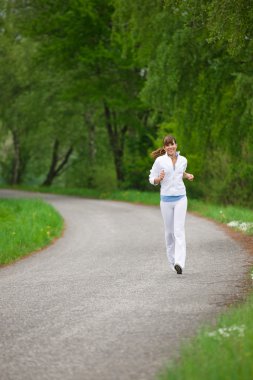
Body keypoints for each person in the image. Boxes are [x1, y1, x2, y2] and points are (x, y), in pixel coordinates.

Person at [149, 135, 194, 274]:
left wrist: (187, 175)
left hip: (181, 198)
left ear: (176, 145)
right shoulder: (159, 161)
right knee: (169, 233)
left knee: (179, 231)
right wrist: (158, 179)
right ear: (164, 148)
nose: (170, 147)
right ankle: (172, 261)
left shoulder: (183, 160)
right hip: (166, 201)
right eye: (167, 145)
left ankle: (180, 263)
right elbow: (151, 177)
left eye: (172, 144)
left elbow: (179, 173)